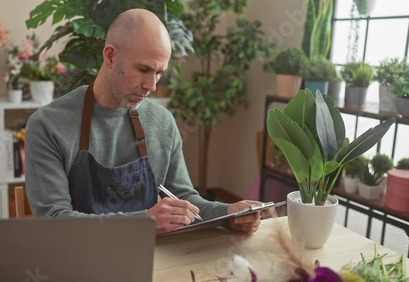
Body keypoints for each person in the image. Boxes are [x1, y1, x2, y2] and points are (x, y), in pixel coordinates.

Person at [25, 8, 273, 234]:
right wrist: (145, 221)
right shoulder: (48, 126)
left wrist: (228, 213)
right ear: (110, 56)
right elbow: (54, 221)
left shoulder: (162, 122)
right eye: (143, 70)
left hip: (153, 260)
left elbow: (183, 198)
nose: (152, 86)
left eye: (159, 73)